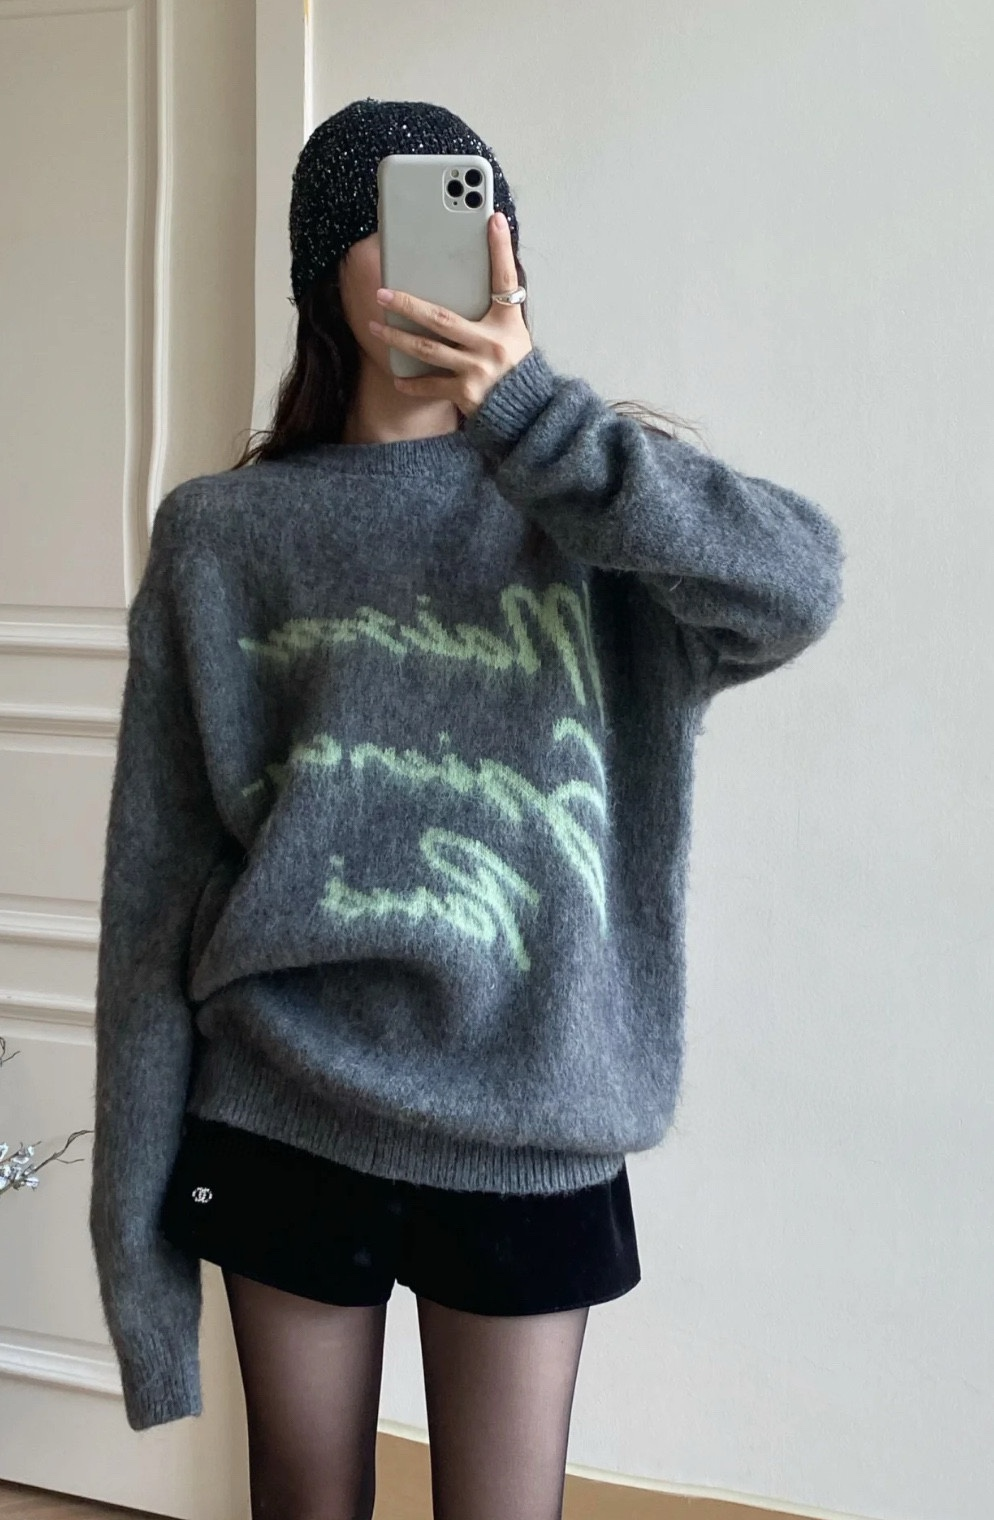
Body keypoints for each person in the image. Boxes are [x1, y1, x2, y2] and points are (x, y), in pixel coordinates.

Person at [88, 98, 845, 1519]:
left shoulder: (598, 511)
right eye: (398, 219)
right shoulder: (224, 536)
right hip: (283, 1104)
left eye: (475, 214)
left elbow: (797, 585)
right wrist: (137, 1266)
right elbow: (151, 905)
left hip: (533, 1119)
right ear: (327, 271)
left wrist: (538, 419)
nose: (453, 249)